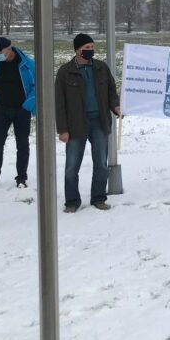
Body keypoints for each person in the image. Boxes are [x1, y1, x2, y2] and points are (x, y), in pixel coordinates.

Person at [55, 33, 120, 213]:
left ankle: (98, 198)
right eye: (86, 48)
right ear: (77, 50)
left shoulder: (101, 68)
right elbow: (59, 104)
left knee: (101, 163)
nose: (90, 51)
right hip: (75, 125)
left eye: (92, 48)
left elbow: (111, 92)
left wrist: (115, 106)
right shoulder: (65, 72)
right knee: (71, 166)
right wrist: (62, 129)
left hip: (99, 122)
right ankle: (72, 202)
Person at [0, 37, 36, 188]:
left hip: (21, 110)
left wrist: (27, 106)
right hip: (1, 109)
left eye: (0, 52)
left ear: (9, 48)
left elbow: (37, 86)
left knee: (22, 144)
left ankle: (21, 177)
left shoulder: (27, 64)